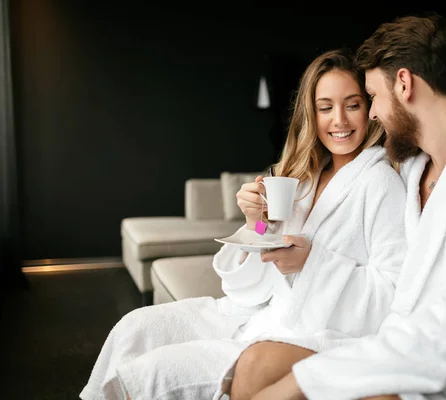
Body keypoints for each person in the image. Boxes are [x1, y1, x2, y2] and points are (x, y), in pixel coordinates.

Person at [231, 13, 446, 400]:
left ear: (404, 83)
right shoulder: (415, 168)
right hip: (406, 345)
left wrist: (309, 379)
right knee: (255, 369)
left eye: (372, 98)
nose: (374, 114)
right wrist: (258, 225)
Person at [79, 48, 408, 400]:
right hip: (253, 314)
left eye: (352, 104)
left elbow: (393, 294)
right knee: (135, 327)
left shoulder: (381, 183)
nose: (339, 120)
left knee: (151, 375)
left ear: (369, 107)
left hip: (305, 331)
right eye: (325, 107)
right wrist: (256, 224)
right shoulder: (306, 177)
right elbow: (264, 263)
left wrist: (314, 263)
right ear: (311, 114)